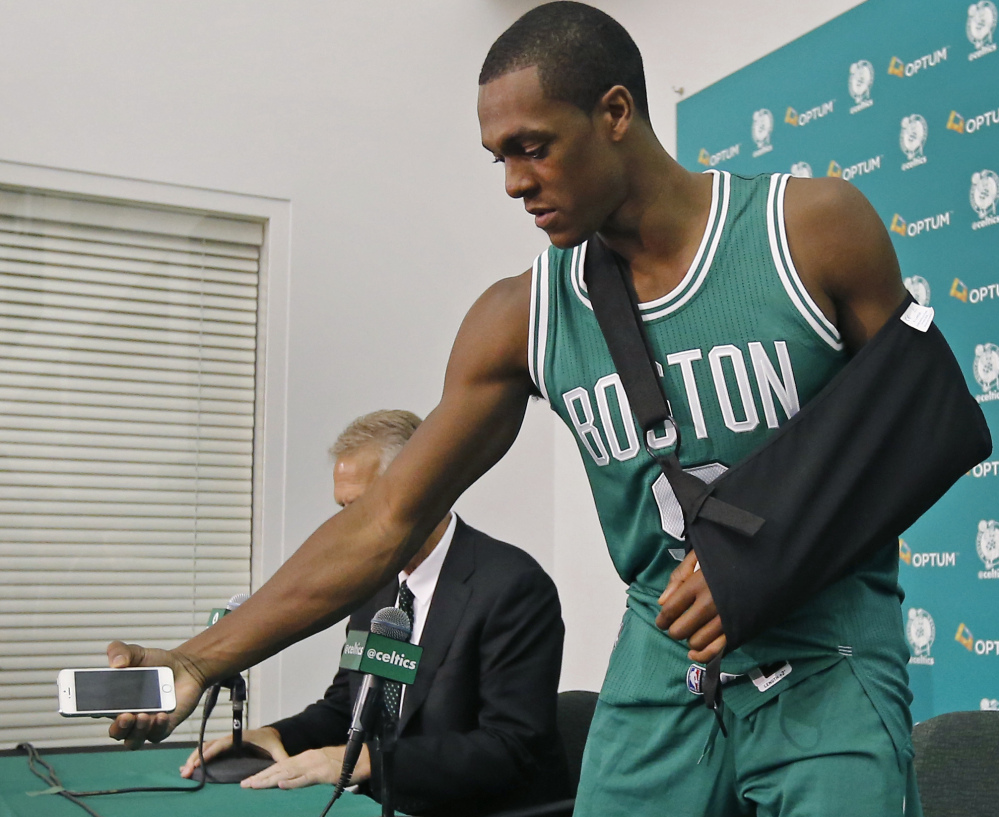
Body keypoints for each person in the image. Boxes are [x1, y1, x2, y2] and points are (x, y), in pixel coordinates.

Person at [108, 3, 921, 814]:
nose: (514, 183)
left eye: (533, 147)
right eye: (498, 157)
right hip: (664, 662)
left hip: (826, 649)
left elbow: (917, 426)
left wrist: (764, 551)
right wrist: (199, 660)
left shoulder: (807, 230)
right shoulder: (518, 316)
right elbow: (388, 516)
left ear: (613, 112)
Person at [179, 410, 568, 817]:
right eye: (342, 509)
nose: (348, 527)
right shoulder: (374, 583)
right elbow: (351, 703)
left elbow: (510, 748)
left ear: (422, 489)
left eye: (361, 508)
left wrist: (366, 761)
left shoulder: (512, 586)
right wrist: (274, 736)